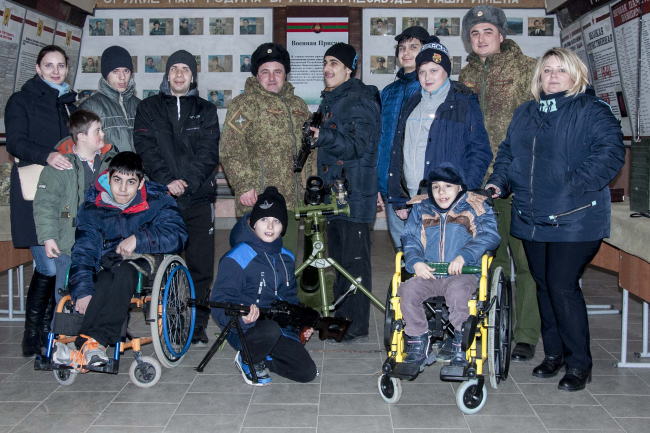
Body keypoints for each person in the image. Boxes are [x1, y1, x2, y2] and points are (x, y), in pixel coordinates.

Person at [487, 48, 624, 391]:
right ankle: (554, 354)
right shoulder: (525, 112)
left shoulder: (591, 109)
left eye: (561, 70)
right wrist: (499, 182)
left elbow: (610, 152)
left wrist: (572, 184)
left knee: (562, 286)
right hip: (531, 216)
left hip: (575, 218)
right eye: (547, 70)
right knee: (544, 285)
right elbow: (508, 153)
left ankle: (579, 364)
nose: (552, 76)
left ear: (577, 75)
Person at [51, 152, 188, 368]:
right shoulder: (92, 209)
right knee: (104, 280)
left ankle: (92, 342)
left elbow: (177, 235)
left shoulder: (159, 201)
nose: (123, 189)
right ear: (108, 178)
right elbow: (84, 251)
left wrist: (139, 239)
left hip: (145, 259)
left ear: (141, 183)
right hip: (109, 261)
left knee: (125, 272)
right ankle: (90, 347)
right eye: (117, 180)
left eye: (130, 182)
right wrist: (83, 291)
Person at [459, 5, 541, 363]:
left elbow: (538, 125)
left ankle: (526, 334)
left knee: (524, 261)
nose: (480, 39)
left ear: (501, 35)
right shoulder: (465, 74)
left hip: (518, 181)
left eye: (487, 31)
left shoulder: (526, 68)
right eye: (474, 33)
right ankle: (490, 325)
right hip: (477, 184)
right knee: (487, 260)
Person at [134, 50, 220, 346]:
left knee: (200, 267)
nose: (179, 74)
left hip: (199, 199)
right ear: (167, 74)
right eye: (174, 69)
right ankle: (170, 320)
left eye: (185, 69)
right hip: (162, 201)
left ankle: (197, 324)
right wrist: (167, 181)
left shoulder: (207, 110)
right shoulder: (148, 108)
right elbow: (145, 148)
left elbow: (209, 151)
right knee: (163, 265)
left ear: (193, 75)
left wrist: (187, 182)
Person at [386, 36, 492, 249]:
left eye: (434, 70)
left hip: (448, 203)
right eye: (422, 71)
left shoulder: (463, 104)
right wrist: (398, 198)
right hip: (414, 200)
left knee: (444, 260)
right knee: (413, 258)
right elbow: (398, 150)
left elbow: (480, 151)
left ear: (446, 71)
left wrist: (464, 194)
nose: (427, 77)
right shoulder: (412, 103)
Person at [5, 45, 77, 357]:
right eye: (49, 65)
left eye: (61, 65)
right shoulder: (21, 100)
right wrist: (47, 155)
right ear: (37, 68)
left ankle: (49, 334)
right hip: (35, 195)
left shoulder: (69, 104)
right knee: (48, 264)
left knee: (60, 262)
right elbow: (15, 142)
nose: (55, 71)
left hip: (64, 196)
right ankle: (34, 336)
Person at [210, 187, 318, 386]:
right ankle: (247, 359)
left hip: (277, 328)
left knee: (307, 372)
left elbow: (290, 297)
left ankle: (264, 356)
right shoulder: (237, 257)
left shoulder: (287, 257)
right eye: (264, 219)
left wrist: (300, 323)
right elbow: (218, 301)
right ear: (253, 222)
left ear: (283, 226)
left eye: (276, 221)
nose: (270, 226)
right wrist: (241, 318)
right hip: (243, 329)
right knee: (269, 330)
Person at [310, 43, 381, 342]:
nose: (328, 68)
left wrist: (323, 135)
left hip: (355, 195)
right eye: (325, 62)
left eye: (335, 63)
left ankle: (355, 324)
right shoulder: (333, 100)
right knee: (338, 262)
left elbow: (358, 147)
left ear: (349, 69)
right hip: (336, 195)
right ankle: (340, 318)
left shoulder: (358, 100)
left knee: (353, 263)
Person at [399, 163, 499, 370]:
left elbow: (489, 235)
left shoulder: (475, 207)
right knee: (407, 291)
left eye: (448, 186)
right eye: (436, 187)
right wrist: (415, 261)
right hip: (431, 272)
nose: (441, 192)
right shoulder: (422, 208)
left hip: (463, 273)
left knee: (457, 293)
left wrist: (464, 256)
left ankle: (460, 344)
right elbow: (411, 238)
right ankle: (418, 342)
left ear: (459, 187)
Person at [220, 43, 308, 258]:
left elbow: (308, 150)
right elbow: (230, 146)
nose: (272, 77)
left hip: (291, 199)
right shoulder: (245, 104)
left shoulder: (299, 106)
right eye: (265, 72)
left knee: (286, 259)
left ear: (285, 74)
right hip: (258, 198)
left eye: (277, 71)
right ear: (257, 75)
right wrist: (243, 185)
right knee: (257, 262)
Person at [34, 110, 116, 308]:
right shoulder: (59, 167)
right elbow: (45, 205)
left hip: (105, 241)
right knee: (66, 295)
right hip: (68, 243)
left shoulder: (113, 163)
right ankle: (63, 328)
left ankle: (97, 326)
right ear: (81, 136)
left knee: (103, 292)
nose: (103, 134)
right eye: (97, 130)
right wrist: (48, 238)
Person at [376, 26, 429, 252]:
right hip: (391, 185)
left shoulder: (430, 89)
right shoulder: (388, 92)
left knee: (427, 250)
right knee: (402, 251)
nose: (406, 52)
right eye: (402, 48)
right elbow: (381, 140)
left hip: (421, 186)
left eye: (413, 47)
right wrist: (379, 184)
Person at [79, 46, 140, 153]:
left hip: (138, 164)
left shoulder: (140, 105)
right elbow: (83, 149)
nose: (122, 77)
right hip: (107, 164)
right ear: (106, 74)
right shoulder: (89, 107)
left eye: (126, 71)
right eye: (115, 71)